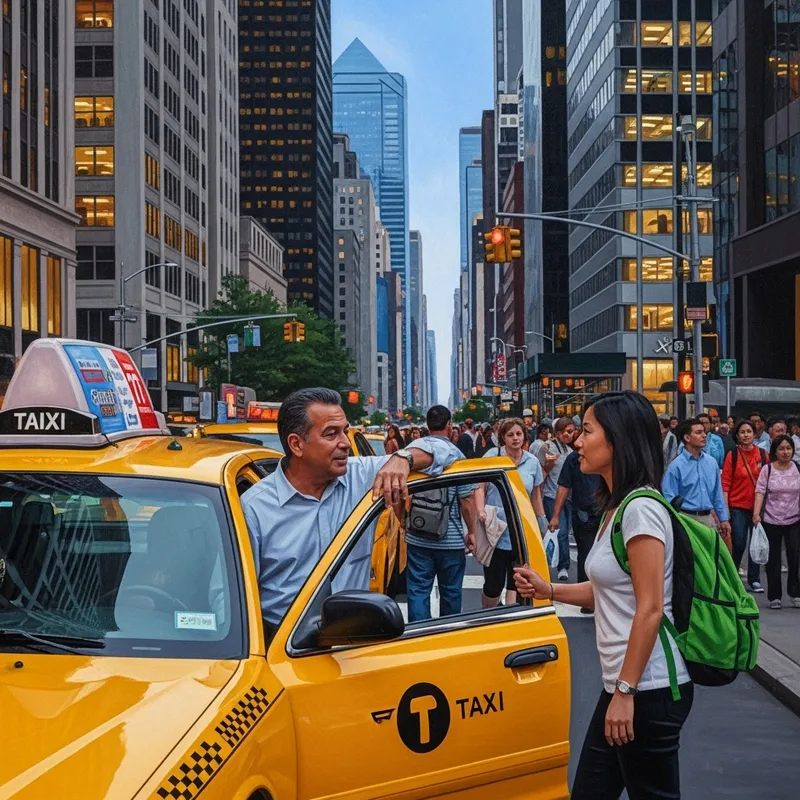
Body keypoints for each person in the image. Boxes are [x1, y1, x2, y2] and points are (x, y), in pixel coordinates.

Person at [514, 391, 693, 798]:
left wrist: (625, 693)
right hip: (626, 685)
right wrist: (549, 589)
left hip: (649, 689)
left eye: (588, 431)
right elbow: (607, 593)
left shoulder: (640, 510)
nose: (577, 441)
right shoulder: (616, 507)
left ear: (618, 440)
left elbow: (649, 608)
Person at [242, 388, 460, 634]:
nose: (345, 443)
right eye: (331, 434)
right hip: (282, 649)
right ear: (296, 444)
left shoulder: (362, 476)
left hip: (354, 645)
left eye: (344, 431)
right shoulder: (255, 509)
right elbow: (236, 598)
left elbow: (447, 450)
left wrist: (403, 457)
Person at [405, 405, 477, 622]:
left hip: (417, 535)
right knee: (451, 593)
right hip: (451, 539)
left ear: (427, 425)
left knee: (418, 591)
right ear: (449, 426)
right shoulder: (456, 456)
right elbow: (466, 501)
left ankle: (419, 639)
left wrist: (402, 522)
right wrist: (471, 531)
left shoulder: (413, 452)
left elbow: (402, 493)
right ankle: (447, 639)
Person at [475, 418, 547, 608]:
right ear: (502, 438)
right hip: (495, 527)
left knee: (517, 581)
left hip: (521, 529)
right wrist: (480, 510)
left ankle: (509, 617)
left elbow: (536, 494)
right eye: (510, 435)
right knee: (493, 583)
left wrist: (542, 520)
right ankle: (489, 616)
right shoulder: (492, 456)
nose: (515, 438)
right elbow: (479, 487)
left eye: (518, 434)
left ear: (524, 435)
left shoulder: (532, 461)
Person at [662, 418, 731, 549]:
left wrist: (723, 519)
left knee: (710, 561)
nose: (704, 435)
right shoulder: (676, 466)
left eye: (704, 432)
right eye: (699, 432)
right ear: (687, 437)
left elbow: (717, 494)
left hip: (708, 519)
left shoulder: (711, 463)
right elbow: (669, 498)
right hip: (686, 519)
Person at [547, 448, 603, 606]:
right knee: (585, 555)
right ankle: (586, 599)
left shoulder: (609, 453)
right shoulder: (574, 458)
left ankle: (601, 596)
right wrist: (556, 515)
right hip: (584, 514)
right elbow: (563, 487)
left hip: (607, 513)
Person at [753, 434, 800, 609]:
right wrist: (756, 514)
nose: (785, 452)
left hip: (794, 519)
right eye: (781, 449)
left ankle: (795, 593)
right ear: (775, 451)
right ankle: (775, 596)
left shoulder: (797, 468)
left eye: (788, 448)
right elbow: (760, 491)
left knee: (794, 557)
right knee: (772, 559)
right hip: (771, 519)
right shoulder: (768, 469)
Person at [722, 420, 768, 593]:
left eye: (749, 431)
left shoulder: (763, 455)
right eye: (742, 432)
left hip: (758, 506)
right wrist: (725, 509)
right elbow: (725, 483)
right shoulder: (732, 456)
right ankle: (733, 576)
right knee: (739, 542)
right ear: (737, 435)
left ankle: (754, 579)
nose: (746, 435)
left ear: (755, 434)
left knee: (755, 543)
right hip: (737, 506)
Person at [542, 417, 577, 582]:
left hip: (569, 497)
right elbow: (541, 473)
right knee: (561, 532)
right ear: (558, 432)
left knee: (564, 531)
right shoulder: (548, 447)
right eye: (567, 432)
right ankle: (563, 566)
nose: (570, 435)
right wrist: (549, 464)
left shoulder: (572, 451)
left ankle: (558, 562)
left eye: (572, 431)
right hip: (551, 495)